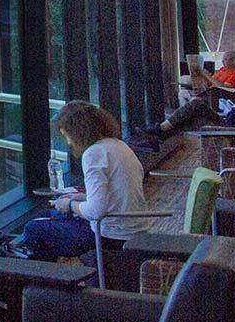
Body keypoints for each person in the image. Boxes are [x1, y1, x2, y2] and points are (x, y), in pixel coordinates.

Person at [18, 101, 156, 260]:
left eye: (67, 136)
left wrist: (69, 205)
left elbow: (96, 211)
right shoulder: (119, 145)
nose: (69, 143)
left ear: (78, 131)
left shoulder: (94, 154)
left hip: (110, 234)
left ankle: (51, 278)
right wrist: (80, 199)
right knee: (48, 214)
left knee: (33, 229)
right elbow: (117, 195)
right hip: (133, 226)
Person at [143, 78, 235, 140]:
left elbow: (233, 123)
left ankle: (159, 131)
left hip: (229, 130)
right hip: (227, 124)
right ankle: (160, 133)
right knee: (196, 103)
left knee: (193, 116)